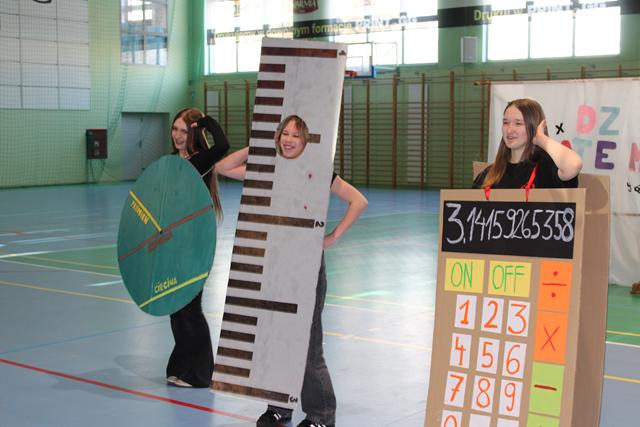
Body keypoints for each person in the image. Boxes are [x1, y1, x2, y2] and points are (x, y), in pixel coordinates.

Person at [214, 115, 368, 427]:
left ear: (306, 140)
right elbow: (223, 167)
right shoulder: (268, 169)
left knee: (308, 345)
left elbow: (358, 201)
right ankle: (280, 407)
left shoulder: (319, 171)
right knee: (276, 338)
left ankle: (322, 414)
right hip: (275, 266)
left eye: (296, 135)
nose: (288, 139)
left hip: (307, 267)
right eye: (284, 133)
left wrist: (333, 236)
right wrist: (256, 147)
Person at [166, 107, 229, 388]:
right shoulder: (170, 162)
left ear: (194, 133)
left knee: (190, 308)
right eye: (175, 129)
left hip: (194, 245)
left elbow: (223, 145)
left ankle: (201, 374)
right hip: (173, 243)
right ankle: (181, 367)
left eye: (185, 130)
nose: (178, 136)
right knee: (175, 307)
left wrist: (204, 122)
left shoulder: (199, 160)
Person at [473, 98, 583, 190]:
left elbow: (574, 165)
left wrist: (541, 139)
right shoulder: (488, 175)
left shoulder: (547, 169)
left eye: (518, 123)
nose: (509, 130)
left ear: (534, 127)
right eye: (506, 123)